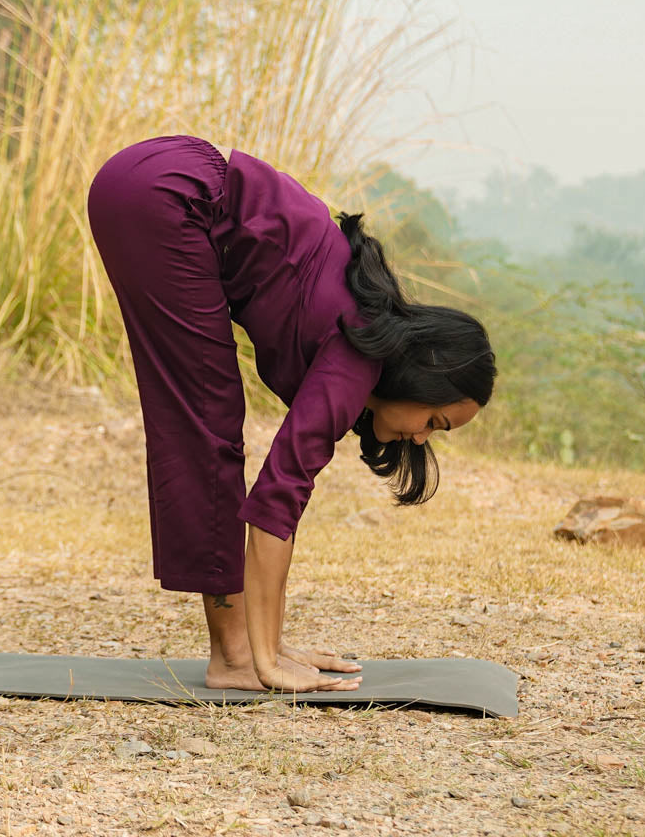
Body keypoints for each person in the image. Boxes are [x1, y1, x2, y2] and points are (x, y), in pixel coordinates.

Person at [87, 136, 495, 694]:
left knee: (210, 418)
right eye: (436, 422)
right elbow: (276, 503)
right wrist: (264, 663)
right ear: (425, 376)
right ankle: (233, 658)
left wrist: (273, 643)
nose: (421, 439)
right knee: (206, 423)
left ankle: (247, 649)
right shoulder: (355, 360)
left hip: (160, 178)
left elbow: (283, 503)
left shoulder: (361, 331)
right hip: (169, 196)